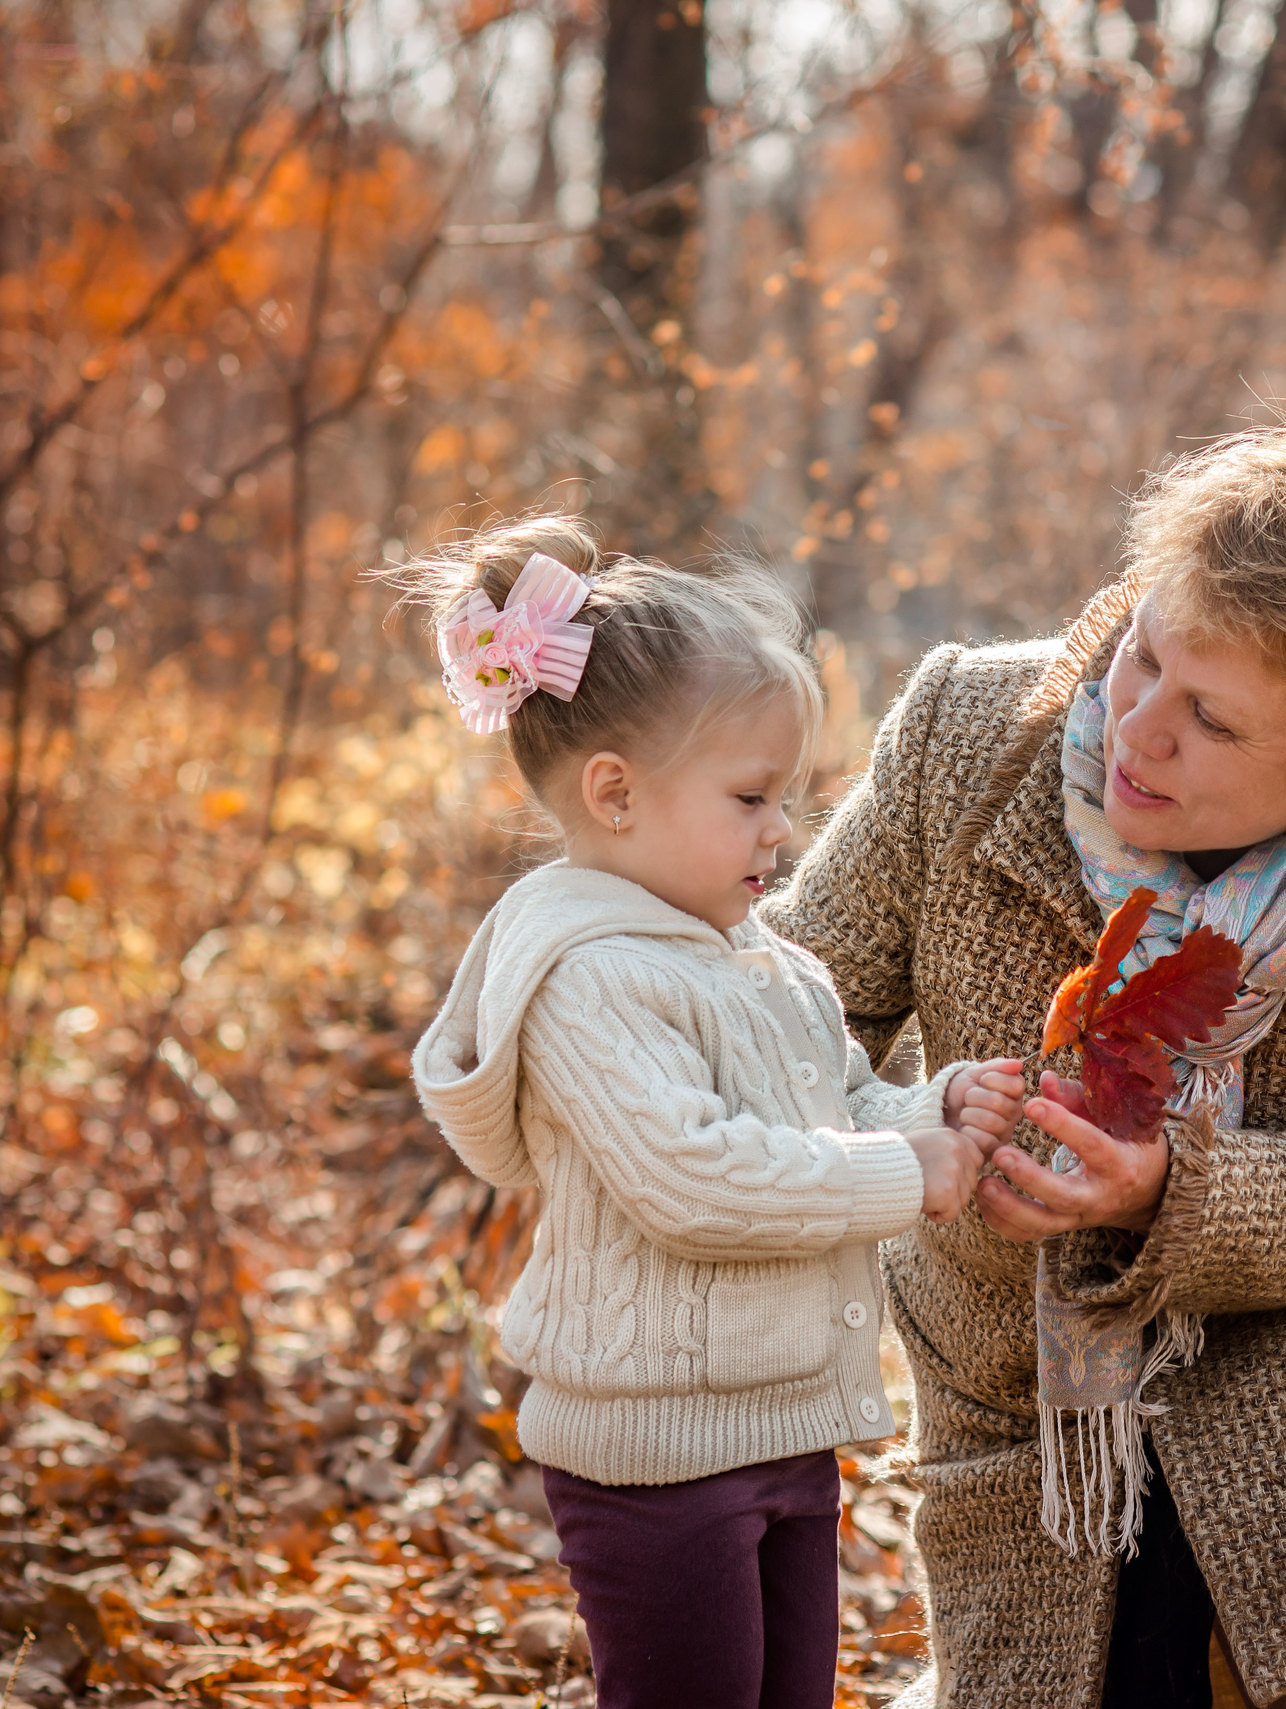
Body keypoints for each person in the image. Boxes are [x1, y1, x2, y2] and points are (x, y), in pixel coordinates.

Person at [762, 396, 1286, 1709]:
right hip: (1024, 1356)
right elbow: (785, 1015)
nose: (1141, 726)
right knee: (1112, 1622)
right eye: (1143, 653)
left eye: (1213, 720)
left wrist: (1170, 1193)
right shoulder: (972, 734)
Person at [403, 517, 1028, 1709]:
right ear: (615, 793)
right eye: (751, 796)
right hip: (656, 1456)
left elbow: (831, 1100)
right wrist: (911, 1171)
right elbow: (700, 1181)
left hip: (782, 1422)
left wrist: (930, 1105)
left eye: (786, 795)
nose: (782, 829)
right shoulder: (588, 978)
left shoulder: (756, 959)